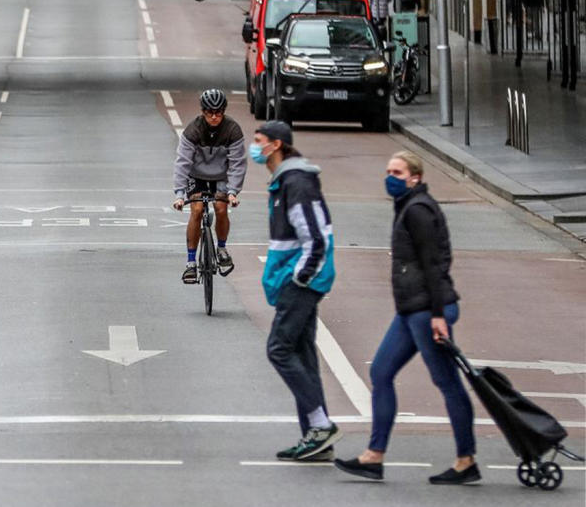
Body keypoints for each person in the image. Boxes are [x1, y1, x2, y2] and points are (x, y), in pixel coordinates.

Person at [334, 151, 479, 484]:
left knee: (447, 382)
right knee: (382, 371)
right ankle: (374, 456)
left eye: (397, 172)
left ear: (415, 176)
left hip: (428, 310)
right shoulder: (409, 206)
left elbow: (433, 263)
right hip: (413, 309)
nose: (391, 177)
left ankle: (466, 459)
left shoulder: (418, 210)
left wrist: (439, 316)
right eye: (388, 170)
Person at [253, 121, 338, 461]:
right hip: (297, 279)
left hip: (301, 282)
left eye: (258, 142)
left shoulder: (297, 182)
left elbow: (316, 238)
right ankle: (317, 440)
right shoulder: (285, 181)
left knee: (279, 348)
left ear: (276, 145)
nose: (254, 147)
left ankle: (320, 425)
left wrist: (299, 278)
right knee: (302, 355)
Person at [172, 89, 246, 284]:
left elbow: (238, 164)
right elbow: (182, 163)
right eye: (209, 112)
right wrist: (180, 194)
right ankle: (190, 264)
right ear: (203, 112)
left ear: (224, 111)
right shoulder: (193, 130)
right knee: (196, 209)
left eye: (219, 112)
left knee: (221, 208)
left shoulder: (233, 130)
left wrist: (232, 192)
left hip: (220, 176)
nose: (214, 117)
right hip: (195, 175)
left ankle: (221, 248)